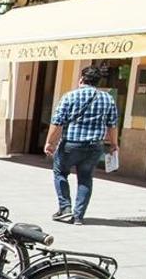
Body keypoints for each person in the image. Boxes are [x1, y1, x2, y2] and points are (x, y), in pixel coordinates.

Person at [44, 65, 119, 226]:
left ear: (81, 79)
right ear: (97, 82)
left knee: (60, 172)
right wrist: (114, 144)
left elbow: (57, 122)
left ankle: (65, 208)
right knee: (85, 178)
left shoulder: (69, 97)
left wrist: (50, 142)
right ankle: (78, 216)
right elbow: (112, 124)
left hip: (71, 145)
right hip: (94, 147)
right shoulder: (108, 99)